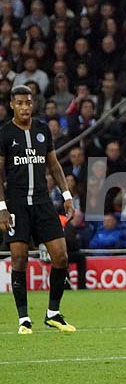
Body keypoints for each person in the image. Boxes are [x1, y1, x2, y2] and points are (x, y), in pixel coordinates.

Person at [0, 86, 76, 333]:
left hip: (43, 202)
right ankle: (24, 319)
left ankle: (53, 313)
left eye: (28, 103)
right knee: (19, 259)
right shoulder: (5, 133)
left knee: (61, 257)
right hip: (17, 204)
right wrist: (2, 207)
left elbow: (53, 165)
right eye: (20, 103)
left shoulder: (43, 130)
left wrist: (66, 196)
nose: (25, 107)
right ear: (12, 105)